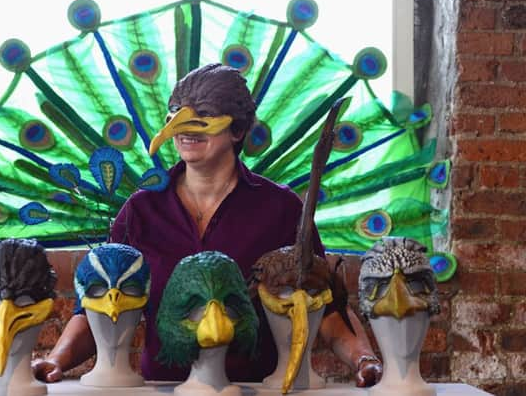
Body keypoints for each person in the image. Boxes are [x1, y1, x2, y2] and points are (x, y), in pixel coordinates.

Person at [32, 63, 383, 386]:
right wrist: (56, 361)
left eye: (205, 115)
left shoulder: (281, 208)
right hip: (163, 389)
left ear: (239, 129)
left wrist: (364, 360)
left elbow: (324, 304)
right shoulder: (141, 209)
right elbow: (95, 309)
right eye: (175, 115)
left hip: (252, 390)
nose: (183, 128)